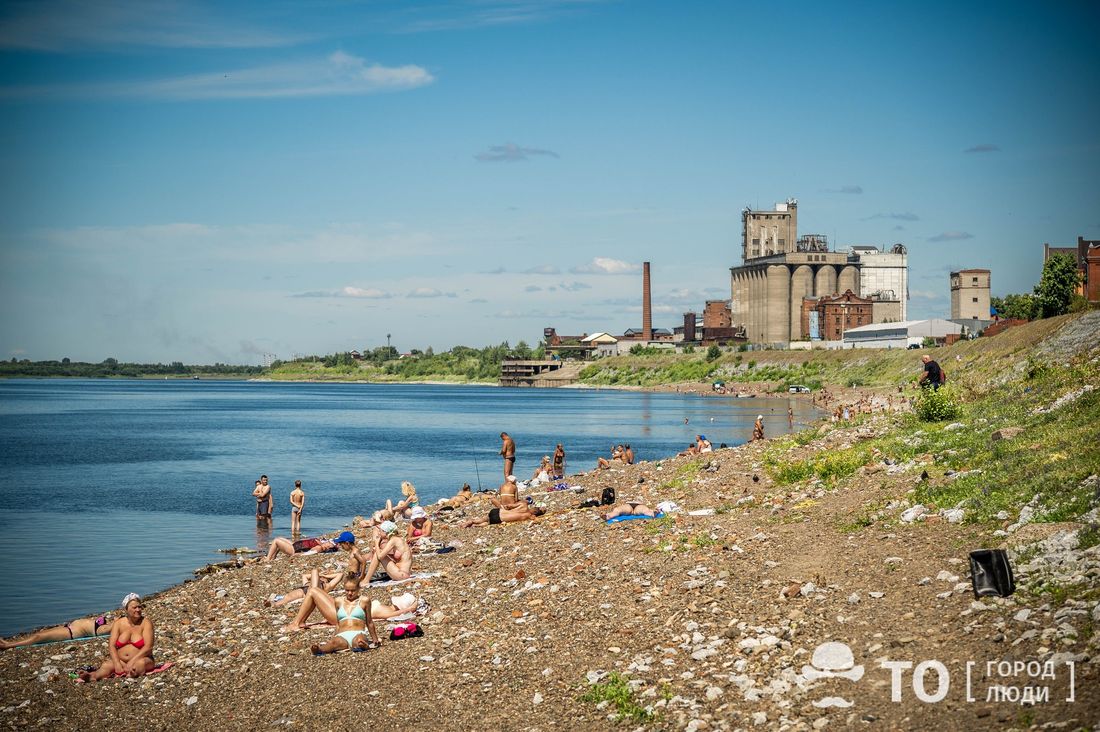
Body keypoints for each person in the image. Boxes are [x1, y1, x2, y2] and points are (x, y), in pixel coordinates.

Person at [285, 580, 381, 655]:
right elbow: (338, 623)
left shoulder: (365, 601)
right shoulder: (339, 601)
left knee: (359, 639)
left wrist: (375, 639)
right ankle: (320, 649)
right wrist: (332, 638)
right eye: (347, 590)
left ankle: (297, 622)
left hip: (357, 630)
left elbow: (369, 622)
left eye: (353, 590)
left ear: (358, 589)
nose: (350, 593)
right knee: (334, 643)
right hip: (343, 630)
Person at [77, 594, 155, 681]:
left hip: (142, 659)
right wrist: (117, 663)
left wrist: (132, 662)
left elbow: (148, 647)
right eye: (134, 607)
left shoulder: (146, 623)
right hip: (121, 661)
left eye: (139, 607)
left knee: (140, 664)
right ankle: (93, 676)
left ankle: (133, 672)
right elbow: (112, 645)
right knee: (107, 665)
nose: (138, 610)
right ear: (126, 609)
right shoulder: (118, 624)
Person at [1, 612, 115, 650]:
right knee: (38, 634)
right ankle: (8, 643)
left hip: (70, 633)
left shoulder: (104, 629)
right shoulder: (115, 622)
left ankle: (8, 645)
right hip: (68, 627)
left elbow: (118, 628)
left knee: (38, 638)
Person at [264, 531, 355, 561]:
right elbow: (334, 543)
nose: (329, 543)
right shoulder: (330, 544)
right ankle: (273, 558)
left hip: (294, 550)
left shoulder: (320, 548)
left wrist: (299, 555)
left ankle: (268, 559)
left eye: (329, 545)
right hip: (295, 545)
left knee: (276, 541)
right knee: (279, 538)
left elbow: (310, 553)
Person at [462, 503, 545, 528]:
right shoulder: (529, 516)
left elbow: (509, 505)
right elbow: (537, 521)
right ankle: (475, 526)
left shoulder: (523, 505)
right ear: (535, 514)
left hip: (498, 511)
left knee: (483, 519)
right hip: (499, 518)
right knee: (487, 523)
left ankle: (471, 521)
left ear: (533, 508)